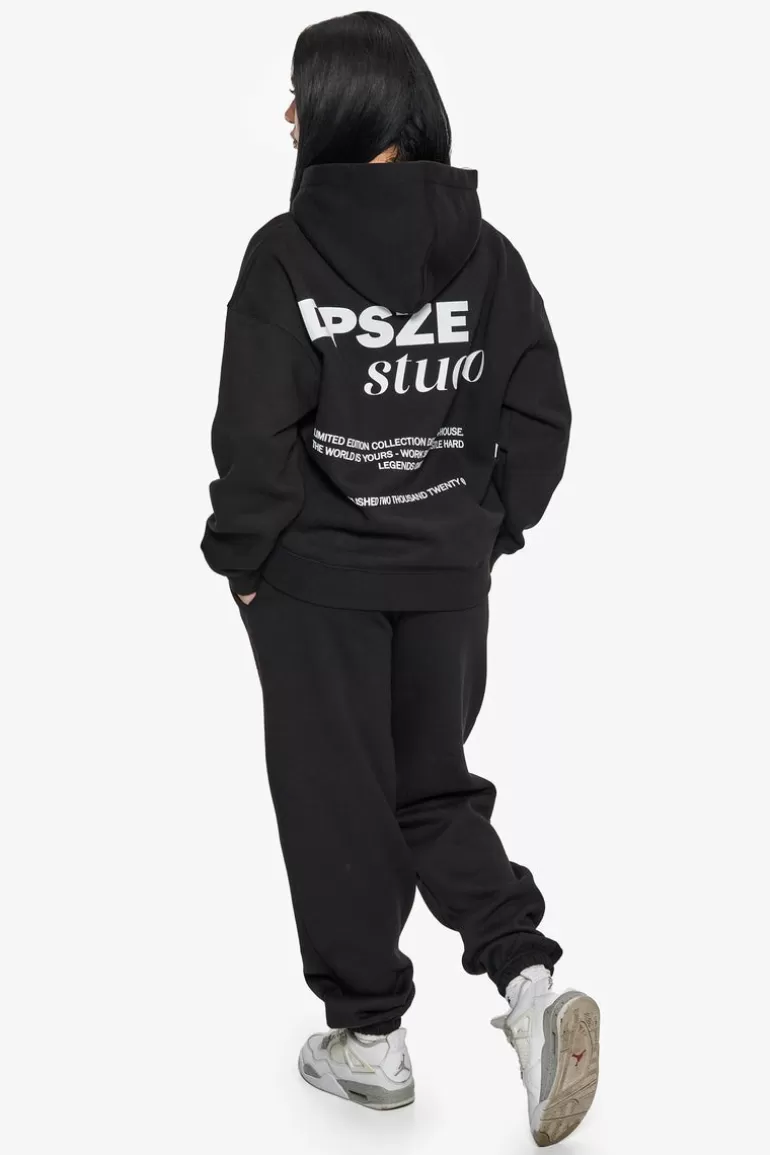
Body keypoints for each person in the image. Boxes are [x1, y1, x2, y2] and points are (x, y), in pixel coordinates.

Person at [201, 11, 599, 1147]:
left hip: (313, 582)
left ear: (347, 104)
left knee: (337, 800)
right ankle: (527, 982)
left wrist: (242, 561)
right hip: (444, 573)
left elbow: (253, 433)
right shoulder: (487, 254)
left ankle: (369, 1038)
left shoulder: (286, 252)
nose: (290, 113)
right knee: (429, 788)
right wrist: (485, 528)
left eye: (302, 91)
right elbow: (539, 415)